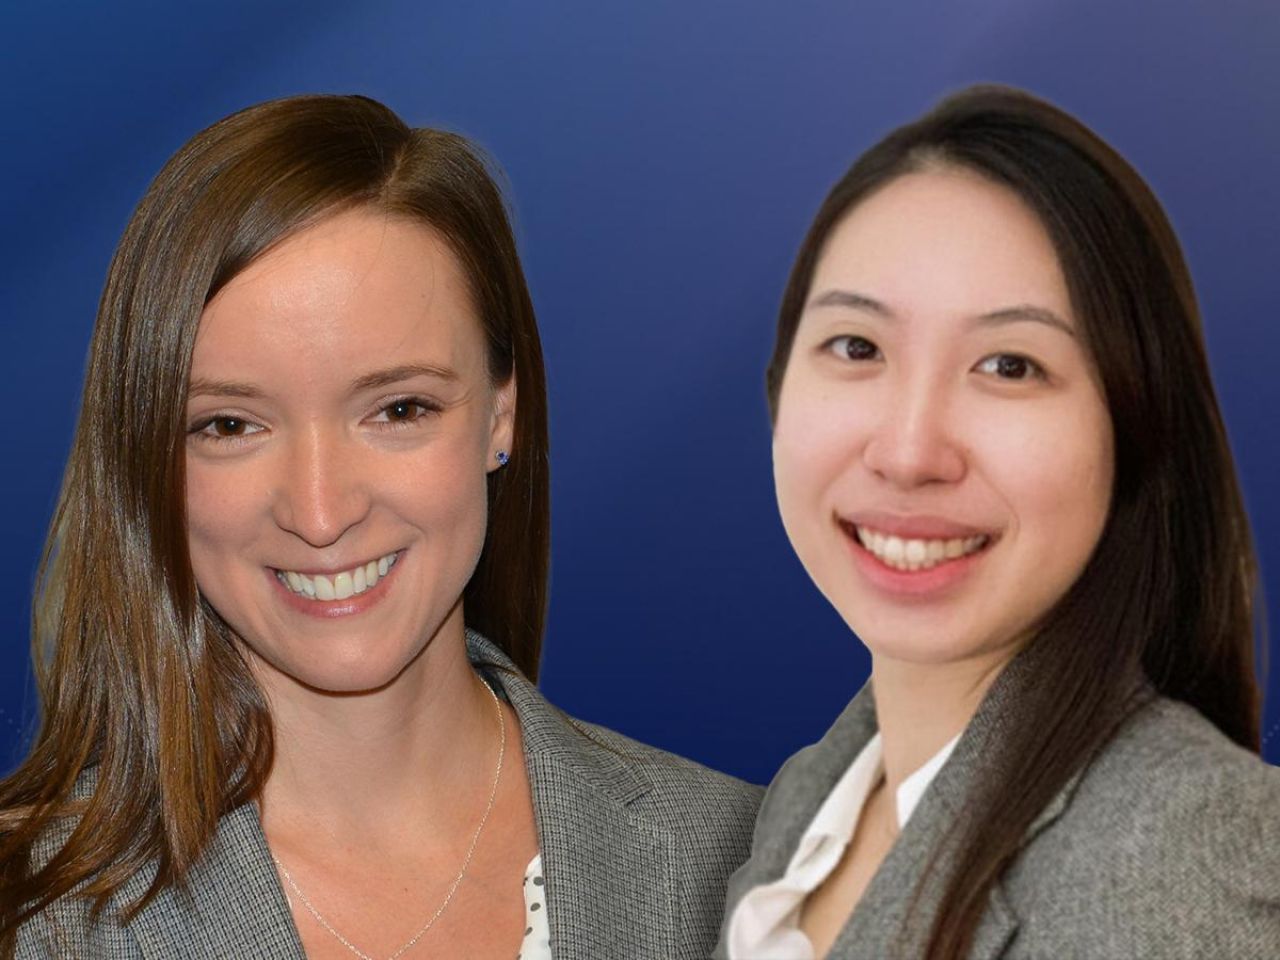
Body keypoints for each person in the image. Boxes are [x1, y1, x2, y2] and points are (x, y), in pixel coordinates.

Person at [0, 94, 761, 960]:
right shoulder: (27, 918)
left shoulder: (764, 867)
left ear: (502, 414)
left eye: (398, 409)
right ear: (147, 457)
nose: (321, 514)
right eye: (229, 426)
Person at [718, 85, 1280, 959]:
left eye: (1009, 365)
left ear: (1134, 432)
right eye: (857, 347)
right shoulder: (808, 803)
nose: (909, 452)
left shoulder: (1194, 858)